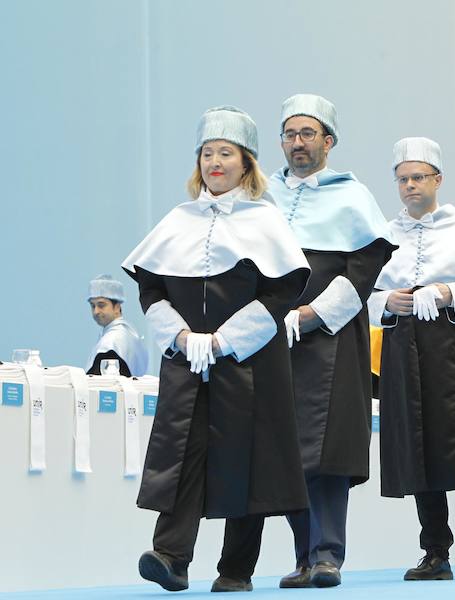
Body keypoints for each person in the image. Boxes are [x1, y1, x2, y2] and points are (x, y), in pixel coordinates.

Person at [121, 106, 311, 592]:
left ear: (246, 162)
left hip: (250, 362)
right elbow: (151, 289)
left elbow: (281, 292)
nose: (215, 162)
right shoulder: (178, 219)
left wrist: (227, 340)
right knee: (182, 453)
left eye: (225, 153)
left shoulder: (265, 220)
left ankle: (236, 569)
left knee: (249, 460)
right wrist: (182, 337)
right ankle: (171, 556)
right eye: (207, 154)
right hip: (188, 360)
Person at [216, 94, 394, 590]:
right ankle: (301, 558)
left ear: (328, 141)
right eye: (290, 135)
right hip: (268, 340)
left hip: (330, 339)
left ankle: (326, 556)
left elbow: (364, 269)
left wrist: (314, 314)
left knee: (325, 452)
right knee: (281, 450)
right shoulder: (262, 195)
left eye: (307, 134)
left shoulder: (352, 196)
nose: (297, 143)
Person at [368, 137, 455, 581]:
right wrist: (386, 302)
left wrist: (450, 292)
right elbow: (362, 296)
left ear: (438, 180)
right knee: (418, 447)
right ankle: (434, 551)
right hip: (404, 350)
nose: (411, 186)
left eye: (419, 178)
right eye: (403, 179)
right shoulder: (384, 235)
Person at [86, 274, 148, 376]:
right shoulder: (131, 333)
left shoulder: (111, 341)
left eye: (101, 305)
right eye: (93, 306)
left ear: (117, 307)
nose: (96, 311)